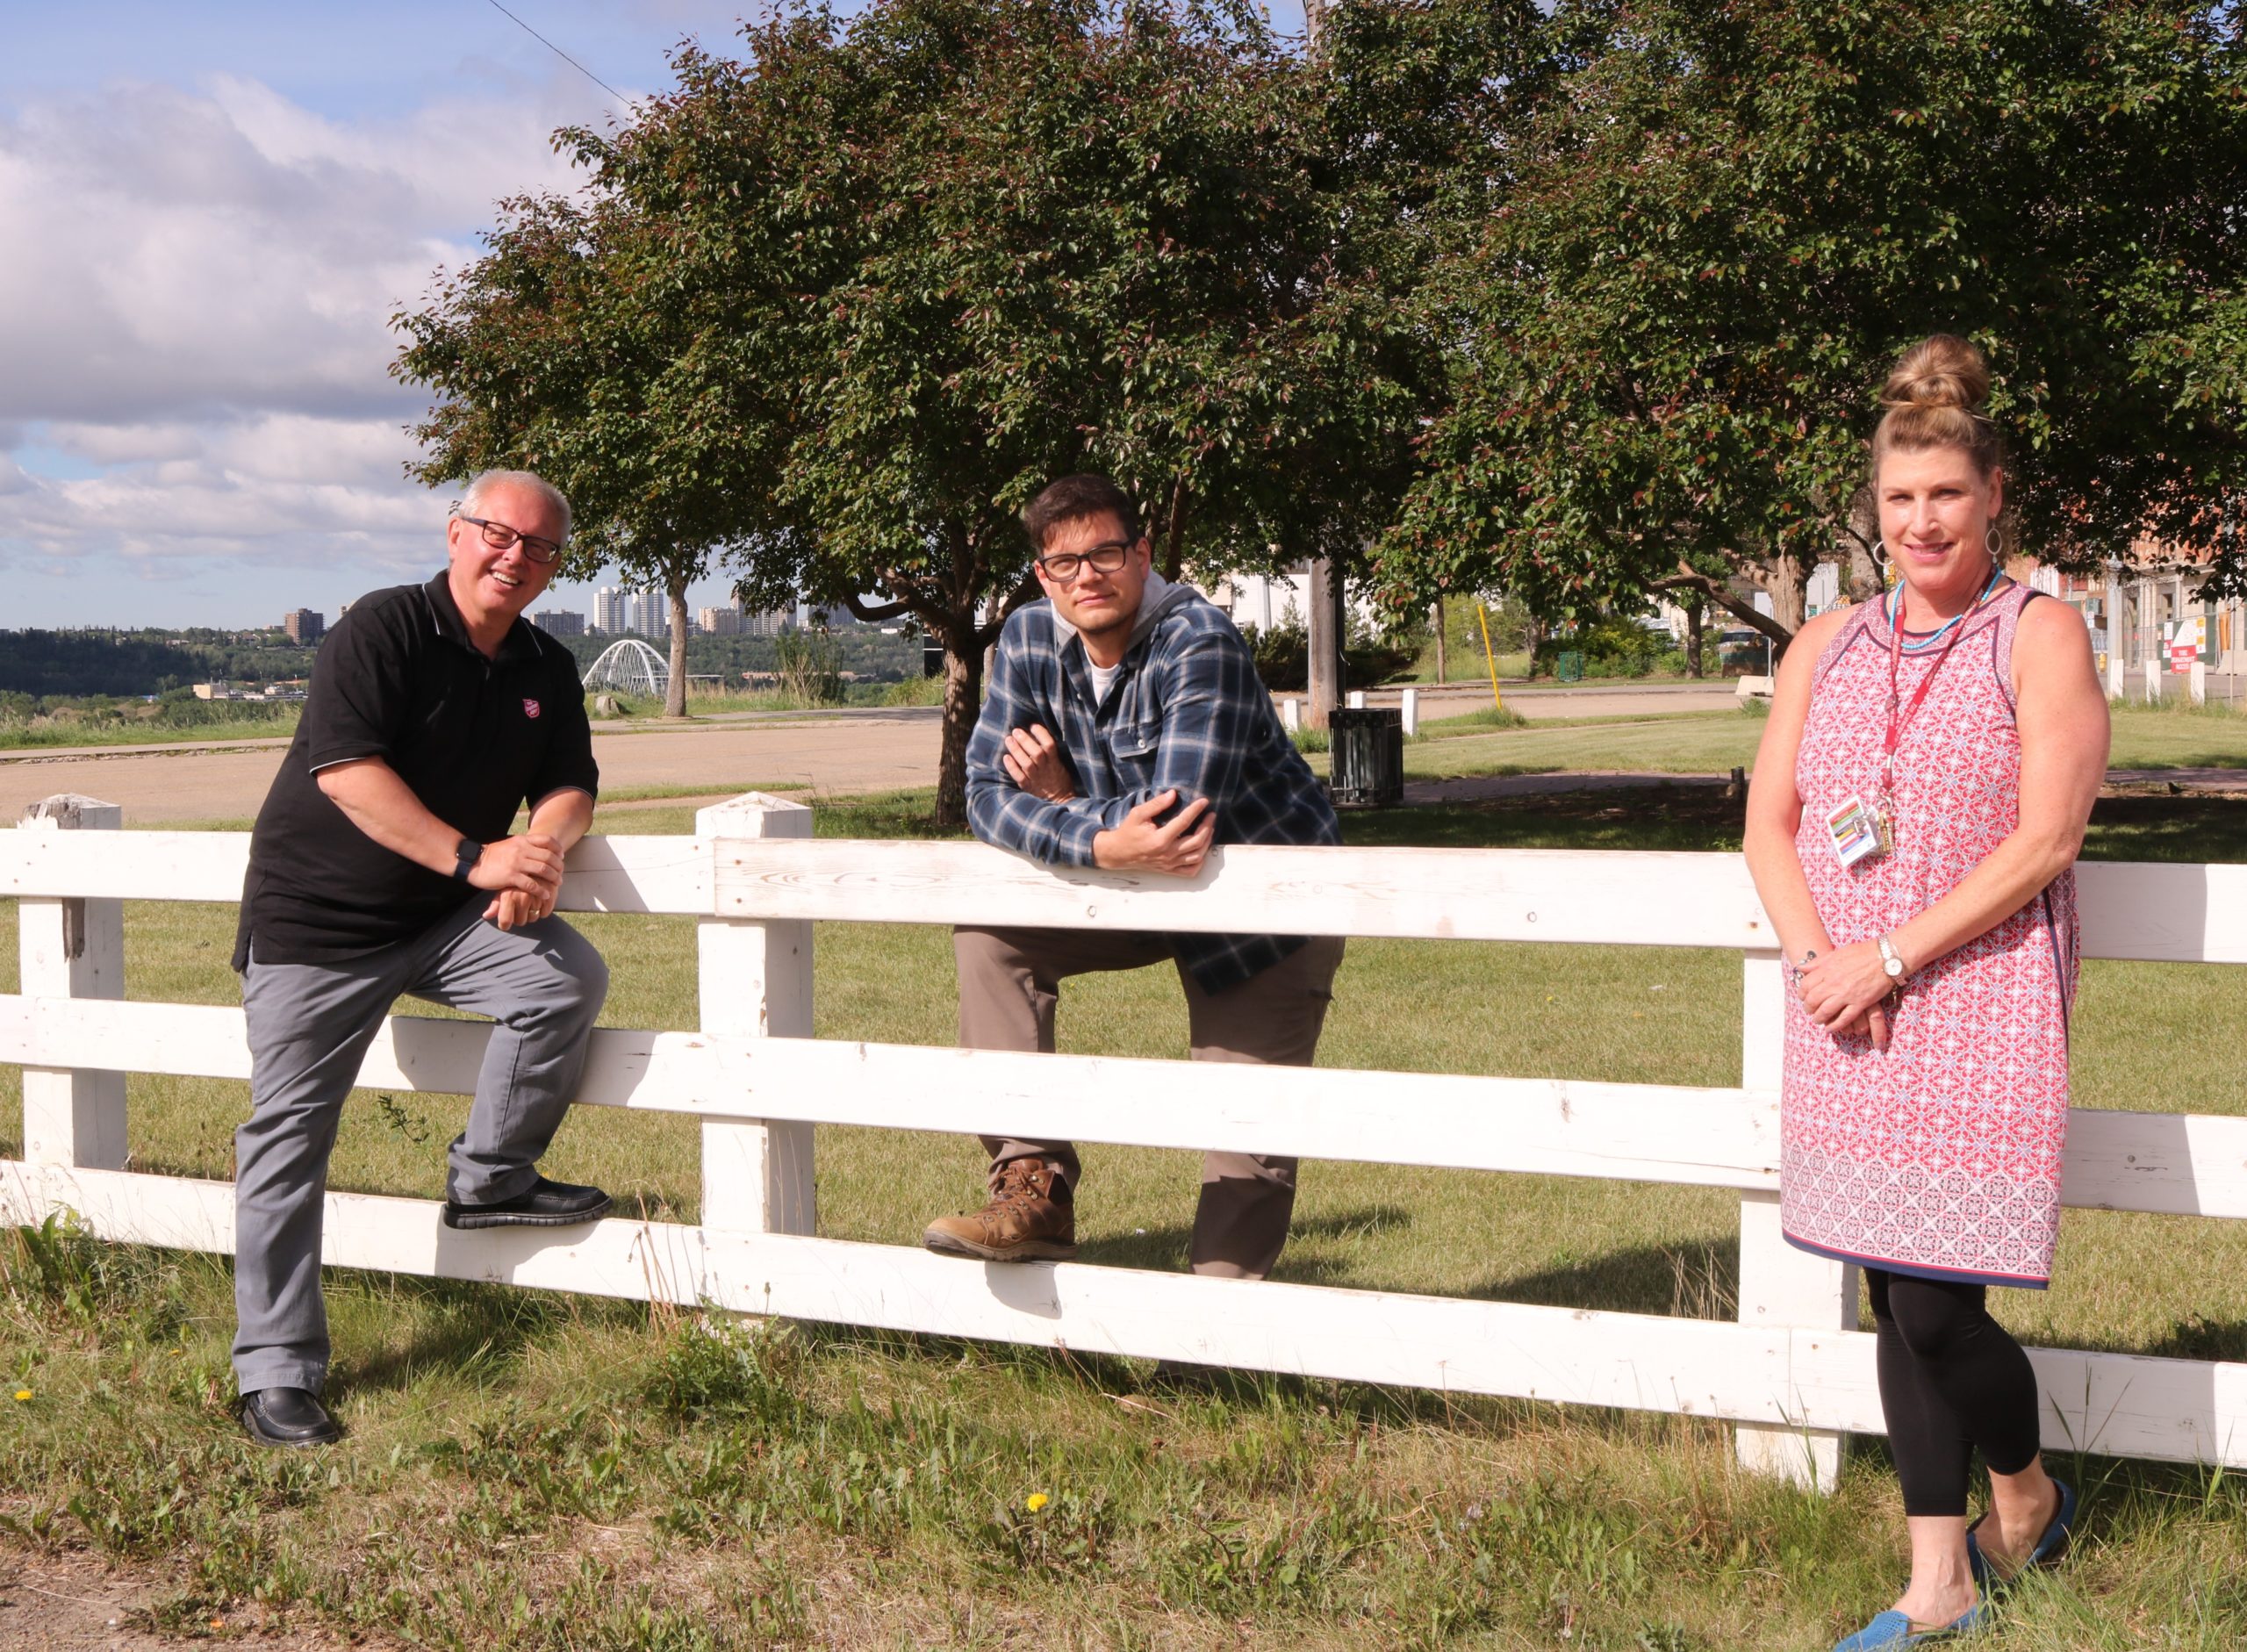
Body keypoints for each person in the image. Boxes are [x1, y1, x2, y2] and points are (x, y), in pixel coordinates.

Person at [1743, 336, 2108, 1648]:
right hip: (1843, 1002)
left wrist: (1892, 956)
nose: (1922, 521)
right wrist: (1819, 967)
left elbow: (2046, 839)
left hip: (1981, 993)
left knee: (1943, 1298)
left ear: (1993, 491)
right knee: (1892, 1292)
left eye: (1946, 494)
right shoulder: (1827, 644)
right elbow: (1771, 826)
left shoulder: (2042, 631)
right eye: (1900, 501)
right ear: (1875, 510)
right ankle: (1937, 1581)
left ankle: (2027, 1491)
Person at [229, 469, 614, 1449]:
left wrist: (543, 852)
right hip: (319, 925)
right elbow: (346, 770)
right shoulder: (381, 628)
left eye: (539, 547)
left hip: (444, 921)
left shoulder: (544, 664)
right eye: (497, 533)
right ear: (456, 533)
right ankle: (277, 1371)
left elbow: (570, 781)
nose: (514, 556)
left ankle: (490, 1177)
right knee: (289, 1133)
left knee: (563, 978)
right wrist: (477, 857)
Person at [922, 472, 1345, 1279]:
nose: (1087, 576)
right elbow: (981, 795)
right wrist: (1103, 837)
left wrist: (1069, 806)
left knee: (1244, 1139)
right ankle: (1032, 1185)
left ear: (1143, 555)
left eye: (1107, 552)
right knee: (992, 932)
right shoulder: (1025, 638)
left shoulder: (1200, 641)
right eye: (1062, 562)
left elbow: (1175, 819)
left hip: (1254, 910)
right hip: (1132, 884)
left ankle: (1211, 1340)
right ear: (1042, 576)